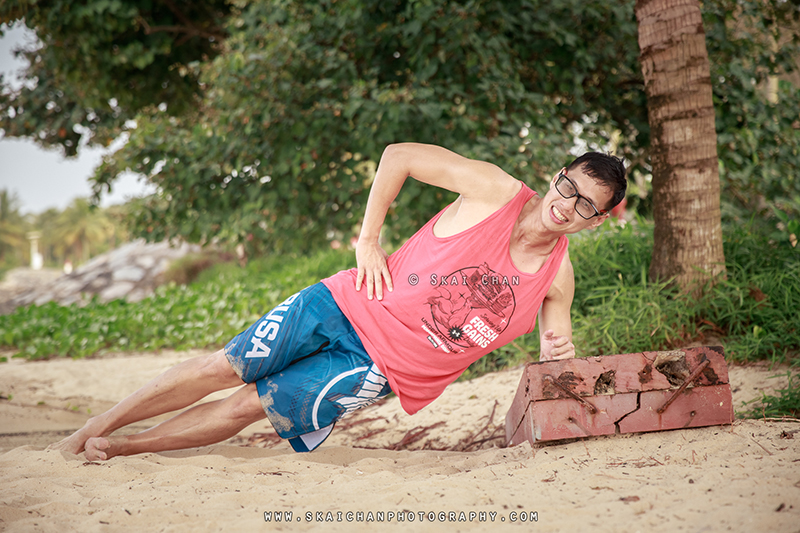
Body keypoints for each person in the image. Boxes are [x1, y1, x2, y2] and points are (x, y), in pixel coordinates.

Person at [50, 142, 626, 459]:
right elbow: (398, 155)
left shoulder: (558, 276)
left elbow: (556, 346)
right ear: (556, 177)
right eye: (568, 188)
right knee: (226, 366)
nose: (567, 206)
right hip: (345, 301)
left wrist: (560, 351)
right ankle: (102, 422)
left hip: (378, 368)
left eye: (585, 206)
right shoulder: (493, 188)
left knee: (250, 406)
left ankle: (123, 447)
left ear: (595, 222)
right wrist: (368, 239)